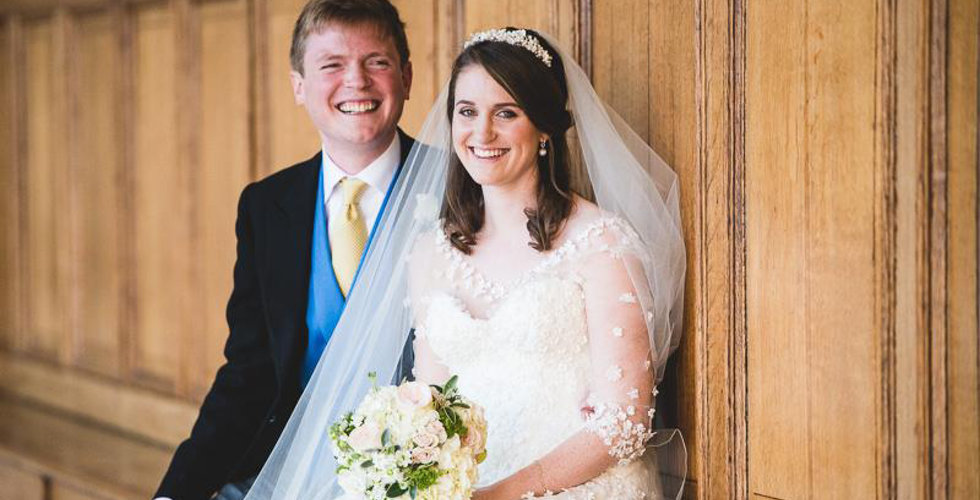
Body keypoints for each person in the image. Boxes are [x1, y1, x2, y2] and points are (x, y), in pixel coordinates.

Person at [243, 28, 687, 500]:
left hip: (582, 484)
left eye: (507, 113)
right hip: (467, 487)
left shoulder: (601, 244)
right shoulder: (431, 254)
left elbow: (625, 423)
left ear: (543, 128)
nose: (483, 133)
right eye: (467, 112)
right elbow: (431, 405)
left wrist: (498, 496)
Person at [153, 1, 413, 499]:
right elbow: (248, 374)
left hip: (416, 473)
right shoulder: (267, 205)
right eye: (332, 65)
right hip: (285, 469)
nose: (356, 81)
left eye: (376, 61)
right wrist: (175, 492)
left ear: (405, 75)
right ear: (299, 85)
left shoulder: (458, 193)